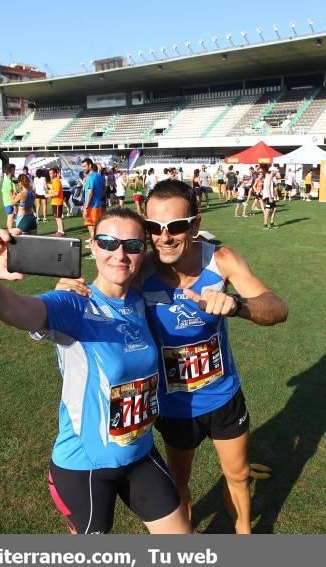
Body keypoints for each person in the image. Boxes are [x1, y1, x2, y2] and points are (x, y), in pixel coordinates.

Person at [56, 181, 288, 533]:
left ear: (194, 226)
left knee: (238, 475)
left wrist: (237, 305)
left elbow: (277, 308)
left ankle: (245, 535)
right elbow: (101, 298)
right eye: (153, 228)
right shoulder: (141, 270)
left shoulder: (221, 260)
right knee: (179, 485)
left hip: (222, 395)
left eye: (176, 227)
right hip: (172, 406)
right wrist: (71, 292)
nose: (164, 237)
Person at [0, 208, 191, 535]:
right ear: (92, 245)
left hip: (140, 453)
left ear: (143, 252)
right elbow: (15, 310)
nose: (119, 254)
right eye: (108, 242)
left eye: (131, 245)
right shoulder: (74, 303)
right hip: (84, 466)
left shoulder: (143, 301)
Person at [81, 158, 104, 242]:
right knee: (94, 224)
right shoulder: (98, 175)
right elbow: (103, 188)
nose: (83, 168)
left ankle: (94, 244)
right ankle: (94, 240)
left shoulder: (90, 177)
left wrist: (86, 207)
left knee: (91, 224)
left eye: (84, 166)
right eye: (82, 166)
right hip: (98, 204)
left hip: (91, 205)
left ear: (90, 166)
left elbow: (90, 192)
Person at [48, 167, 66, 237]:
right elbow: (54, 191)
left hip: (57, 202)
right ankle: (59, 231)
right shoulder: (54, 181)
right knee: (57, 217)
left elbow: (57, 193)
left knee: (58, 217)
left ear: (55, 173)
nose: (50, 175)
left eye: (51, 173)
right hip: (55, 202)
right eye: (49, 173)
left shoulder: (56, 181)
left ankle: (61, 231)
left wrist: (48, 195)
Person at [260, 164, 278, 230]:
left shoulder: (270, 177)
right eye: (275, 171)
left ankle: (271, 223)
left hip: (270, 196)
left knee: (274, 209)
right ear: (272, 171)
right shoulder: (269, 177)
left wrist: (273, 196)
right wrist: (270, 197)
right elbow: (267, 187)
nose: (276, 173)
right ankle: (265, 225)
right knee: (267, 210)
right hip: (268, 196)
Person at [2, 164, 17, 230]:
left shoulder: (9, 180)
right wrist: (14, 205)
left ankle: (10, 231)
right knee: (10, 218)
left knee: (12, 218)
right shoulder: (7, 181)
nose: (14, 171)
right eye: (14, 170)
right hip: (10, 203)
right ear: (10, 170)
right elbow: (11, 194)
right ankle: (10, 232)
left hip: (10, 202)